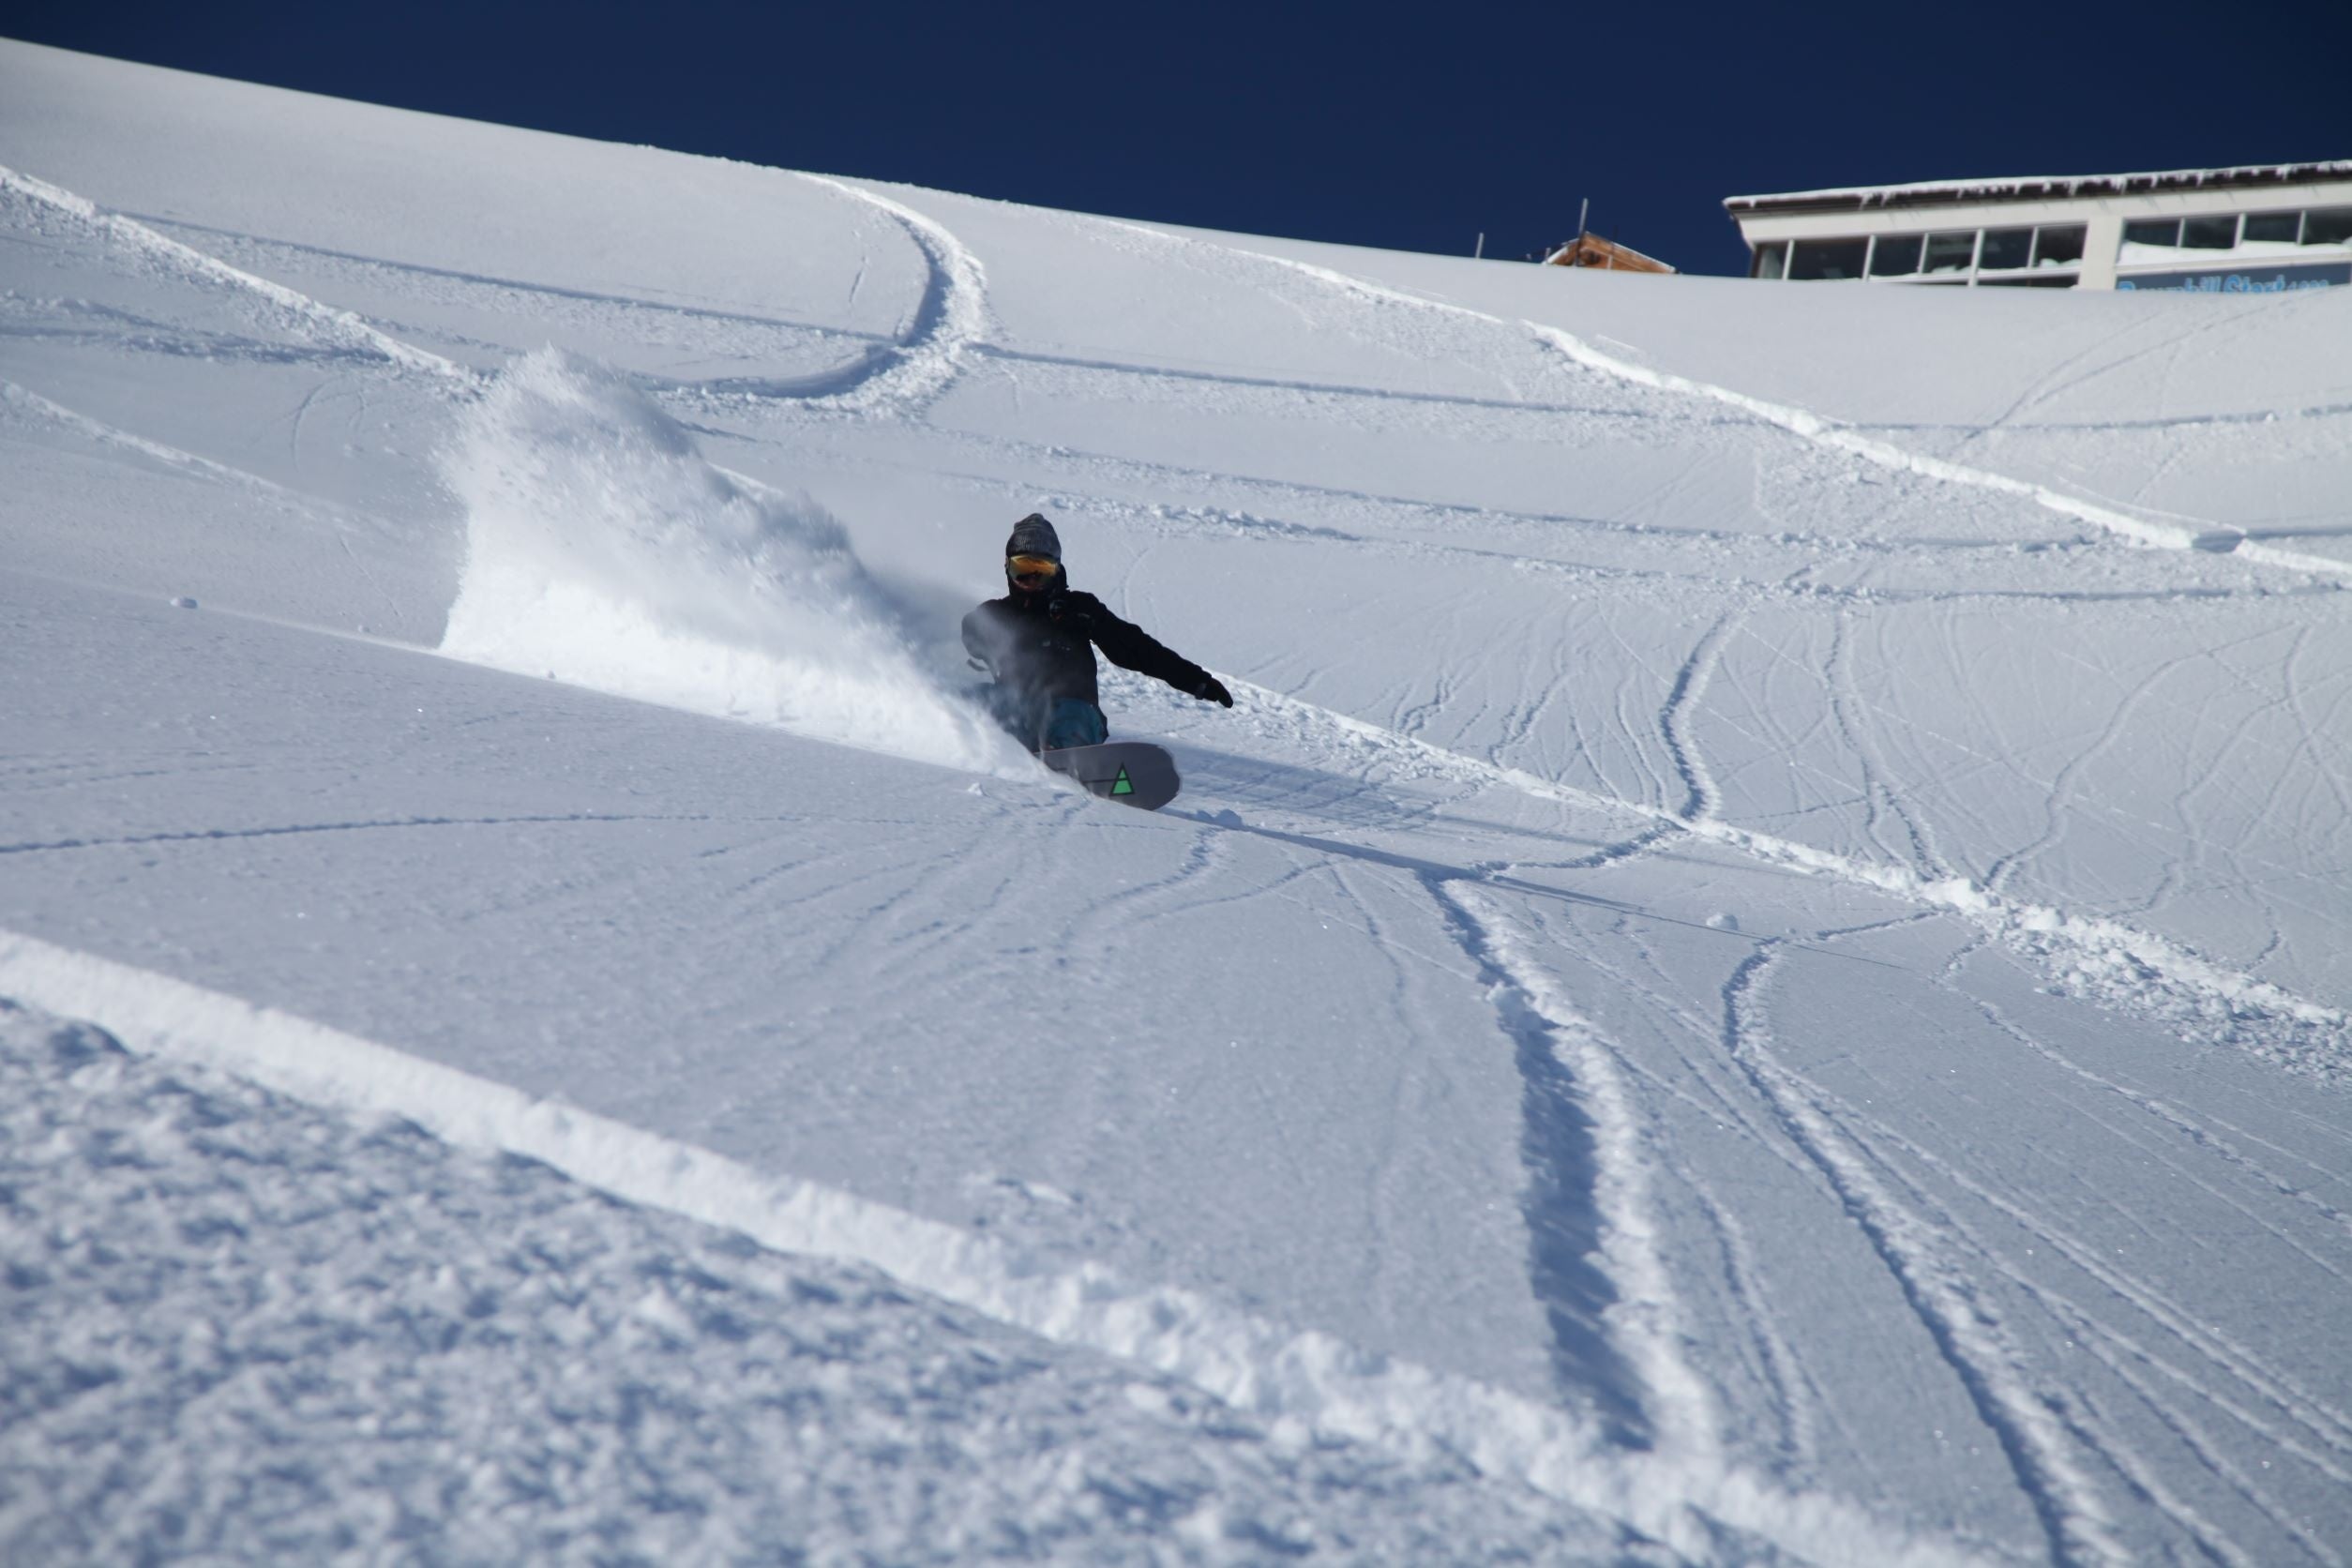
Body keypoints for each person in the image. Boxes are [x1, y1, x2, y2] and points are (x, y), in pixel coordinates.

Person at [962, 513, 1232, 751]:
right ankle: (972, 755)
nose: (1032, 580)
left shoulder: (1080, 610)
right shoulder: (995, 616)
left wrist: (1196, 680)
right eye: (1023, 569)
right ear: (1008, 568)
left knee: (1066, 715)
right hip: (1019, 714)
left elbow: (1137, 649)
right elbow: (959, 640)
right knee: (975, 700)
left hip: (1075, 713)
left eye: (1041, 570)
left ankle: (1065, 757)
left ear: (1056, 569)